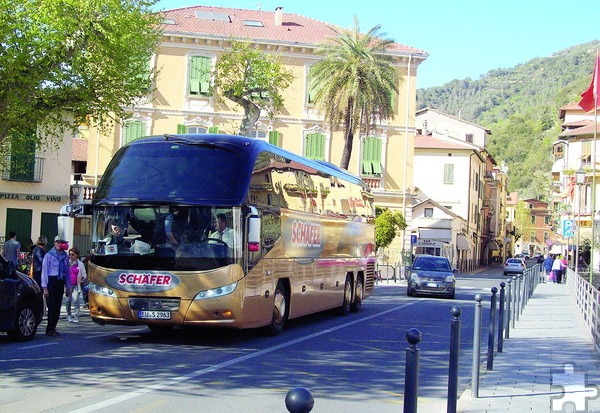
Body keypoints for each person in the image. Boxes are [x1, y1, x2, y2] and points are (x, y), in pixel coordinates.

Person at [41, 236, 69, 336]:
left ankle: (53, 327)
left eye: (61, 242)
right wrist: (45, 288)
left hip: (60, 281)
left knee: (57, 306)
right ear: (54, 243)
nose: (59, 244)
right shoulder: (49, 255)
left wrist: (68, 286)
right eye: (57, 242)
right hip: (51, 281)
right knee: (52, 306)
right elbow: (44, 271)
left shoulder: (65, 255)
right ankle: (49, 329)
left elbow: (67, 271)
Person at [65, 247, 87, 323]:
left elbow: (84, 274)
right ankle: (68, 314)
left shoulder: (80, 264)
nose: (70, 256)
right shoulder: (67, 263)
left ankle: (76, 315)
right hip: (68, 284)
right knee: (68, 300)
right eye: (69, 254)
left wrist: (82, 278)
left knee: (76, 300)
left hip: (76, 285)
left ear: (76, 255)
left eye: (72, 254)